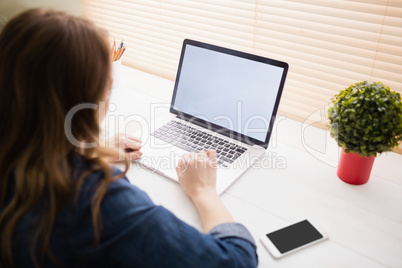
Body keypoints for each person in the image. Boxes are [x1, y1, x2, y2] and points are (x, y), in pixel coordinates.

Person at [0, 8, 258, 268]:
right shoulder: (97, 200)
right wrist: (204, 192)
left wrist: (81, 149)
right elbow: (237, 261)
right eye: (106, 85)